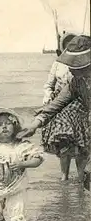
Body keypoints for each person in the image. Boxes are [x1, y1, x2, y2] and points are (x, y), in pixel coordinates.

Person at [18, 35, 91, 191]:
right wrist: (34, 125)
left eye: (75, 65)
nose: (70, 69)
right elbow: (56, 104)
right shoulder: (77, 82)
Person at [40, 32, 89, 181]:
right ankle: (66, 176)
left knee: (82, 147)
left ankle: (82, 177)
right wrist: (41, 115)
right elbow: (54, 92)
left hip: (80, 109)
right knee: (65, 143)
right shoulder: (68, 74)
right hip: (63, 107)